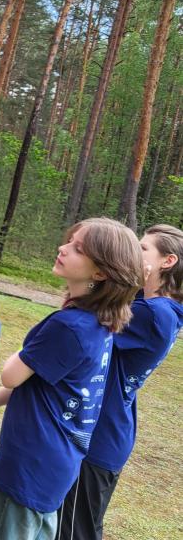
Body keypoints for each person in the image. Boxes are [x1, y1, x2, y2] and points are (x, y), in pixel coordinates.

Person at [0, 218, 144, 540]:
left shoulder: (68, 325)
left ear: (100, 272)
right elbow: (41, 381)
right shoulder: (98, 324)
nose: (63, 249)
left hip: (28, 466)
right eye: (69, 241)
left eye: (78, 249)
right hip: (55, 466)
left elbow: (11, 375)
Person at [56, 224, 182, 540]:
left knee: (74, 532)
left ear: (167, 261)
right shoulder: (158, 307)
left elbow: (88, 317)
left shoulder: (155, 314)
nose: (132, 253)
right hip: (106, 432)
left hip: (99, 436)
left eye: (141, 248)